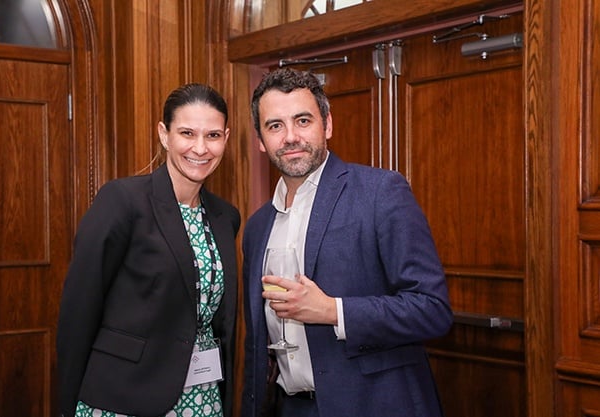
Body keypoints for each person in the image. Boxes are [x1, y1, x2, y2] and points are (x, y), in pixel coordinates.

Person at [240, 68, 453, 417]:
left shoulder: (380, 192)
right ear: (260, 141)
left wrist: (332, 311)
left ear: (327, 125)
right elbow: (257, 344)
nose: (291, 137)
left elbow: (432, 309)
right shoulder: (257, 226)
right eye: (275, 126)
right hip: (291, 407)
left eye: (303, 120)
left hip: (375, 406)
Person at [57, 83, 240, 417]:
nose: (200, 148)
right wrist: (66, 404)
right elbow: (79, 308)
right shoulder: (122, 201)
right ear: (164, 134)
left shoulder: (225, 217)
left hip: (203, 397)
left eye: (213, 135)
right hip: (125, 396)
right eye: (187, 133)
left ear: (226, 138)